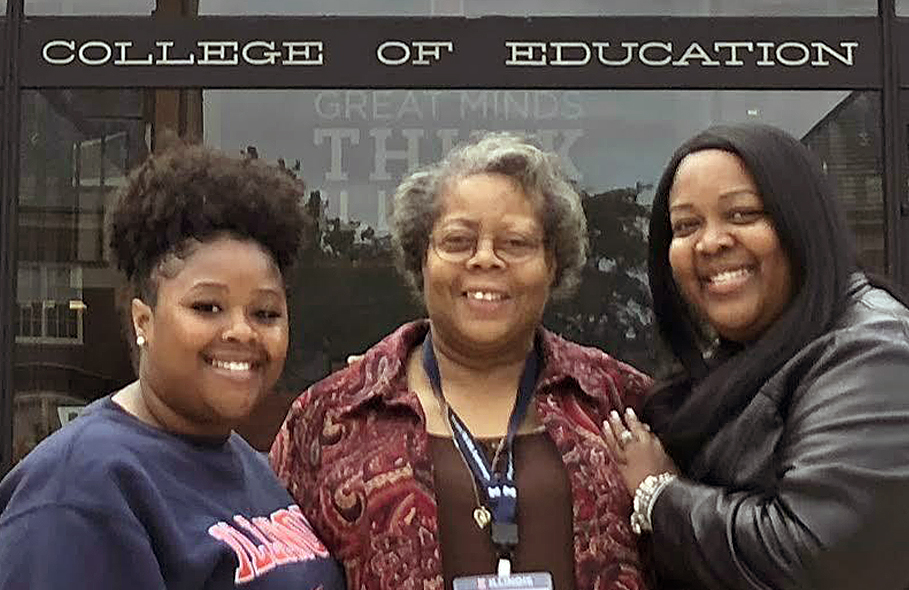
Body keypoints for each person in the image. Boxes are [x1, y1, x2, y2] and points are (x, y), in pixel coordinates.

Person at [270, 132, 652, 590]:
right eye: (457, 241)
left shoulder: (616, 398)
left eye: (515, 242)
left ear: (553, 262)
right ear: (421, 260)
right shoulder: (329, 417)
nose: (485, 259)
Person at [0, 143, 345, 590]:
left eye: (265, 313)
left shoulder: (246, 462)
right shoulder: (80, 489)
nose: (242, 332)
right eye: (207, 306)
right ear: (143, 319)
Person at [603, 122, 909, 590]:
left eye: (742, 215)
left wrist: (658, 494)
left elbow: (814, 557)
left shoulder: (872, 351)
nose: (710, 242)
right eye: (686, 225)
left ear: (801, 222)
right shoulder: (755, 350)